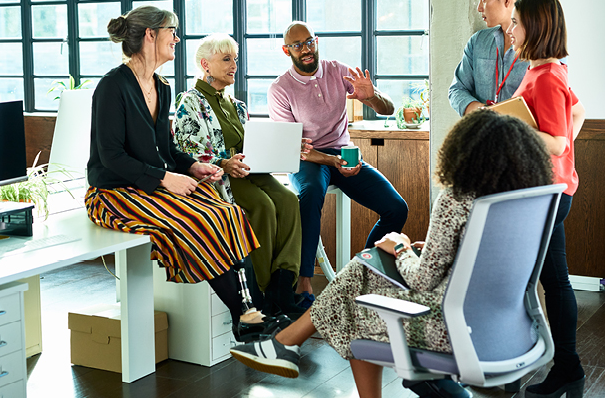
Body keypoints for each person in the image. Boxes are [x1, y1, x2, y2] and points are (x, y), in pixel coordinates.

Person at [230, 110, 554, 398]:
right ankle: (284, 343)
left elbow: (423, 279)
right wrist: (431, 250)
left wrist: (400, 248)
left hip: (449, 328)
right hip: (510, 327)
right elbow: (486, 257)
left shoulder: (456, 200)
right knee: (363, 267)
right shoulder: (524, 201)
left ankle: (284, 344)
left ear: (466, 153)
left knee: (356, 304)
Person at [85, 5, 285, 342]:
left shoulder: (161, 87)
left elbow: (165, 150)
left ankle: (254, 312)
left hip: (150, 186)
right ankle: (248, 317)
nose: (177, 38)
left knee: (229, 213)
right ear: (150, 35)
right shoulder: (112, 87)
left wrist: (191, 166)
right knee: (201, 219)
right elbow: (112, 157)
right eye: (171, 31)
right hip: (114, 193)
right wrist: (166, 178)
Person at [268, 21, 408, 302]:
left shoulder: (338, 71)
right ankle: (304, 282)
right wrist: (332, 162)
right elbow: (295, 149)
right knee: (309, 196)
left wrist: (372, 97)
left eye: (309, 42)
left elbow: (388, 109)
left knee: (396, 208)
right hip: (309, 159)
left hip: (343, 152)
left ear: (316, 42)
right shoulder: (280, 89)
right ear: (287, 51)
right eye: (297, 45)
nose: (306, 49)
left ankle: (363, 273)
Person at [173, 33, 309, 318]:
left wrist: (284, 149)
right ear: (205, 65)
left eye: (234, 59)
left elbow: (253, 145)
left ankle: (283, 286)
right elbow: (186, 150)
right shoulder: (190, 102)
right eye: (226, 59)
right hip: (222, 176)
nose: (234, 64)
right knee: (263, 206)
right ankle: (261, 293)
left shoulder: (236, 104)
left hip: (250, 170)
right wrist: (224, 162)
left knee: (288, 200)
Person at [506, 0, 586, 398]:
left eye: (517, 22)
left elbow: (555, 142)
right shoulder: (548, 70)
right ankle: (561, 368)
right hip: (549, 191)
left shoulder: (549, 75)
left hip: (546, 194)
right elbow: (577, 113)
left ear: (535, 27)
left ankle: (540, 366)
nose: (511, 29)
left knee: (542, 282)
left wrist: (507, 125)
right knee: (552, 282)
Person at [448, 0, 529, 116]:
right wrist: (483, 113)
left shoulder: (541, 48)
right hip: (481, 137)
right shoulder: (477, 42)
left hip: (521, 139)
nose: (479, 8)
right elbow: (457, 89)